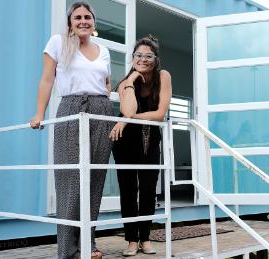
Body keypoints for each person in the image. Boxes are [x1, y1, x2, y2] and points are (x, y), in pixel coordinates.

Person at [30, 2, 113, 259]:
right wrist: (40, 114)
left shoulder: (104, 50)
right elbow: (47, 79)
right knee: (70, 179)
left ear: (93, 21)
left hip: (101, 110)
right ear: (70, 21)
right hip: (71, 108)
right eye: (77, 17)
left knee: (95, 179)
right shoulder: (58, 42)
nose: (83, 21)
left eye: (87, 17)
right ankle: (68, 250)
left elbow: (106, 84)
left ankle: (88, 244)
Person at [109, 35, 172, 256]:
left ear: (155, 59)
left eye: (148, 56)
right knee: (127, 190)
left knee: (147, 190)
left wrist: (128, 119)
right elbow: (127, 110)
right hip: (124, 140)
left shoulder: (163, 76)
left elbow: (160, 114)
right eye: (138, 55)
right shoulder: (125, 82)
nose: (143, 59)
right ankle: (131, 241)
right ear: (133, 58)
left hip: (149, 140)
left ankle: (145, 238)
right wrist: (132, 78)